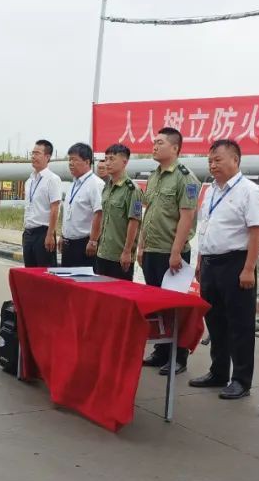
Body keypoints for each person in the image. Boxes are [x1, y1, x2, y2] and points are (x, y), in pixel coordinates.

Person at [190, 139, 259, 400]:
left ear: (235, 160)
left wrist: (248, 269)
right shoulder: (211, 190)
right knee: (215, 321)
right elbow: (205, 226)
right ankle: (218, 371)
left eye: (218, 160)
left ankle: (241, 380)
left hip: (236, 263)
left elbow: (256, 231)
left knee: (240, 325)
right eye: (210, 161)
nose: (213, 165)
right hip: (210, 263)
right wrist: (200, 261)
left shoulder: (249, 191)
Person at [138, 127, 199, 375]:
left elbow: (186, 218)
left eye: (160, 142)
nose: (154, 146)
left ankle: (178, 357)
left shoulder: (186, 178)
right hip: (152, 250)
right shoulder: (153, 176)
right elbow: (148, 213)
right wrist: (141, 246)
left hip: (171, 253)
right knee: (156, 307)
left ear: (175, 148)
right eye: (154, 142)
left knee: (175, 308)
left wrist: (176, 252)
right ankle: (160, 352)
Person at [89, 143, 141, 280]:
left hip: (119, 256)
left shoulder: (132, 190)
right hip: (103, 253)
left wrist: (127, 251)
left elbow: (134, 222)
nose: (107, 163)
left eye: (112, 159)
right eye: (106, 159)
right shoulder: (107, 187)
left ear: (124, 162)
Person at [60, 142, 105, 267]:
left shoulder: (95, 184)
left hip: (84, 244)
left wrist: (93, 241)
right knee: (67, 283)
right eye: (69, 160)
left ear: (87, 162)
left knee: (82, 282)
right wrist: (62, 235)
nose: (70, 163)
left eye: (74, 160)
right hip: (68, 243)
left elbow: (99, 213)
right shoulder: (73, 184)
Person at [22, 139, 62, 267]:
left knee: (46, 274)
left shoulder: (52, 179)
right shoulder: (30, 181)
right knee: (30, 273)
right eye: (32, 153)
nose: (33, 156)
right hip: (28, 234)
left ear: (47, 157)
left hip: (43, 233)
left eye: (37, 153)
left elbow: (55, 208)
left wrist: (50, 234)